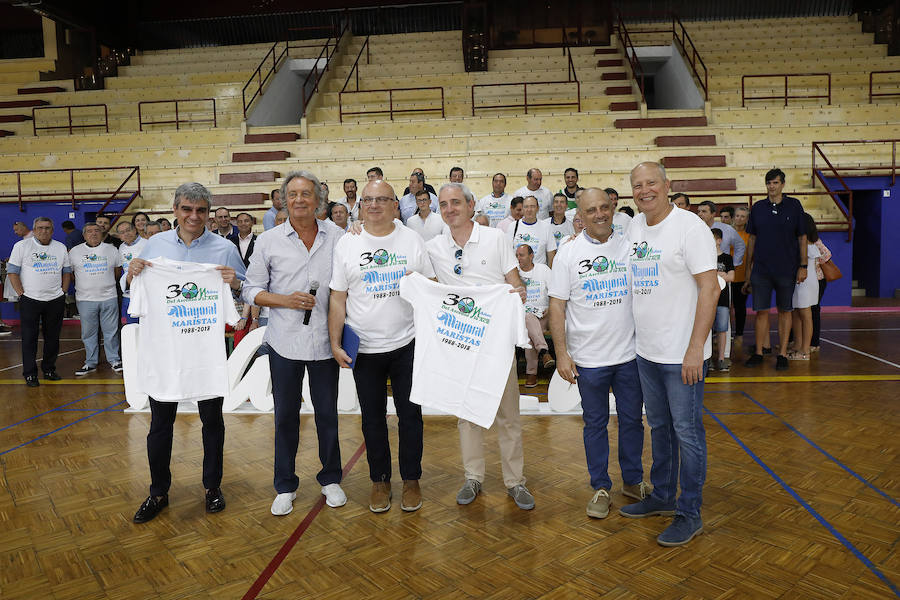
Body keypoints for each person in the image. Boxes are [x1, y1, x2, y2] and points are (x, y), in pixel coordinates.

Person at [125, 182, 246, 524]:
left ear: (209, 213)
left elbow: (246, 285)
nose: (194, 217)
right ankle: (158, 492)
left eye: (201, 211)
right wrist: (131, 274)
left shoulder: (224, 248)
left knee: (213, 422)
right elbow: (132, 290)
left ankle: (212, 487)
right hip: (165, 354)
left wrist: (233, 281)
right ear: (175, 210)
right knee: (160, 425)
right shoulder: (153, 246)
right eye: (187, 209)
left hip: (204, 353)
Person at [619, 162, 718, 547]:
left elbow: (709, 290)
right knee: (659, 429)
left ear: (667, 185)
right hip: (647, 351)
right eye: (637, 185)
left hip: (683, 355)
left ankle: (689, 513)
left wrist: (696, 349)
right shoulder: (635, 226)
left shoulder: (690, 228)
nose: (644, 191)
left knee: (688, 434)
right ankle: (662, 495)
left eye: (651, 184)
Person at [242, 170, 347, 516]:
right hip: (284, 343)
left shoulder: (339, 236)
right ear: (283, 200)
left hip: (325, 342)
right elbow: (251, 289)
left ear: (318, 199)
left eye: (306, 194)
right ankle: (284, 485)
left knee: (327, 415)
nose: (299, 200)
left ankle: (331, 478)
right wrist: (285, 300)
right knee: (285, 416)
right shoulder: (268, 240)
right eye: (293, 194)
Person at [424, 182, 534, 510]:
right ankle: (473, 476)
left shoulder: (496, 239)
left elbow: (514, 282)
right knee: (467, 416)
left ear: (471, 205)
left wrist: (519, 292)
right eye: (443, 204)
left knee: (508, 416)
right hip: (461, 346)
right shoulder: (432, 247)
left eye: (456, 202)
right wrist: (356, 227)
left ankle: (515, 482)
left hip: (497, 345)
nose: (450, 209)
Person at [329, 179, 434, 513]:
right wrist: (334, 341)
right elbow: (337, 297)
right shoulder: (348, 243)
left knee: (410, 416)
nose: (373, 205)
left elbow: (430, 288)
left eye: (381, 199)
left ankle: (412, 479)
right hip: (366, 348)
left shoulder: (412, 240)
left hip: (407, 344)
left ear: (394, 205)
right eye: (367, 200)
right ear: (360, 205)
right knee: (372, 419)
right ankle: (380, 480)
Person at [548, 188, 649, 519]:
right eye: (592, 210)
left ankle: (633, 482)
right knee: (595, 423)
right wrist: (562, 355)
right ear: (581, 215)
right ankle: (600, 487)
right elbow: (557, 307)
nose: (600, 214)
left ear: (614, 207)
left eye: (605, 207)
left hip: (630, 356)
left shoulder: (629, 246)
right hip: (588, 360)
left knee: (633, 420)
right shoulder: (568, 253)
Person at [742, 168, 807, 371]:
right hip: (761, 269)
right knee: (761, 311)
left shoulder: (794, 206)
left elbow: (802, 237)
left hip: (787, 269)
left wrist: (803, 266)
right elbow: (752, 239)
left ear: (783, 184)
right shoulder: (758, 208)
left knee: (784, 311)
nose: (772, 186)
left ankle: (782, 354)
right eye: (769, 183)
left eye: (775, 183)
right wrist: (748, 271)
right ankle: (760, 352)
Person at [6, 217, 72, 387]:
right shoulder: (21, 246)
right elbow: (12, 272)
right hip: (30, 300)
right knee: (29, 338)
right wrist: (22, 294)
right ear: (34, 230)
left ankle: (49, 369)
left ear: (53, 230)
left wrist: (63, 291)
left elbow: (66, 271)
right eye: (40, 228)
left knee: (52, 338)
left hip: (55, 299)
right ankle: (30, 374)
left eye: (48, 228)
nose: (44, 231)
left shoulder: (60, 247)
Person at [69, 222, 123, 376]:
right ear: (84, 235)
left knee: (111, 332)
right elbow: (71, 274)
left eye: (96, 231)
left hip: (109, 297)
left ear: (102, 233)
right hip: (85, 299)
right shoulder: (75, 252)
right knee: (88, 332)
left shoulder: (112, 250)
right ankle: (90, 362)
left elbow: (117, 271)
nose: (93, 234)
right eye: (89, 231)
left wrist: (104, 284)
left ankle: (114, 360)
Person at [515, 244, 553, 387]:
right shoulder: (514, 273)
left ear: (531, 256)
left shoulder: (543, 270)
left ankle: (532, 373)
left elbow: (555, 291)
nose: (519, 258)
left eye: (522, 255)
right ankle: (543, 351)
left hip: (545, 315)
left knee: (529, 331)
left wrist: (550, 308)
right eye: (517, 255)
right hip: (524, 317)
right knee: (527, 321)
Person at [788, 213, 821, 361]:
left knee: (805, 315)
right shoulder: (801, 241)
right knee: (796, 314)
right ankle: (798, 345)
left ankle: (805, 351)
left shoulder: (806, 243)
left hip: (805, 283)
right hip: (800, 282)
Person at [508, 196, 557, 266]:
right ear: (522, 209)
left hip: (539, 274)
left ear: (537, 208)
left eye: (532, 206)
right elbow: (508, 253)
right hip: (518, 273)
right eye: (526, 207)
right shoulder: (512, 226)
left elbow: (551, 256)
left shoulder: (546, 227)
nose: (529, 210)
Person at [711, 229, 735, 372]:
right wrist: (721, 275)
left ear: (719, 240)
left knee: (722, 329)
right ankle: (707, 359)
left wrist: (716, 275)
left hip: (723, 299)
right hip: (707, 299)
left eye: (712, 238)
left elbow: (731, 277)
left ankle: (721, 358)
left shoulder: (727, 258)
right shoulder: (704, 257)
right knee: (707, 330)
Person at [696, 201, 745, 268]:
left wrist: (734, 264)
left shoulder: (727, 229)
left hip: (722, 269)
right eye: (699, 211)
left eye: (704, 211)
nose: (700, 214)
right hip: (701, 268)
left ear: (713, 214)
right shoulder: (694, 229)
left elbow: (740, 245)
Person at [116, 220, 147, 323]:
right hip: (128, 295)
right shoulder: (121, 248)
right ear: (119, 236)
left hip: (145, 294)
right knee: (131, 328)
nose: (126, 234)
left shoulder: (146, 244)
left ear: (134, 230)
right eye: (122, 232)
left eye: (128, 230)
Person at [809, 217, 831, 353]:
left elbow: (827, 254)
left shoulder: (815, 241)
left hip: (818, 279)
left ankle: (814, 342)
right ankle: (794, 339)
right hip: (807, 281)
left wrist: (817, 262)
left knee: (814, 310)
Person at [731, 206, 751, 345]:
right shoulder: (727, 233)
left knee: (740, 307)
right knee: (723, 308)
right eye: (737, 215)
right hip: (725, 276)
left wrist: (748, 279)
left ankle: (739, 334)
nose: (739, 218)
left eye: (743, 216)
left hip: (742, 277)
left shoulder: (749, 236)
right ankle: (721, 334)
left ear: (747, 219)